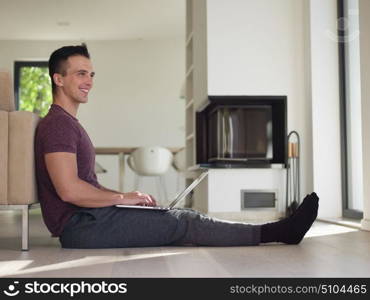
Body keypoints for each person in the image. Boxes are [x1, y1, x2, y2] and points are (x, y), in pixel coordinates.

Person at [35, 44, 319, 249]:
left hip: (91, 219)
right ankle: (279, 232)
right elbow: (69, 189)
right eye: (81, 74)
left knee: (184, 216)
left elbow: (86, 185)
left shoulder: (67, 123)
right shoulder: (59, 125)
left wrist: (129, 196)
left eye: (92, 75)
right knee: (186, 223)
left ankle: (276, 230)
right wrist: (122, 198)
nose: (89, 82)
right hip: (82, 226)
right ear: (58, 79)